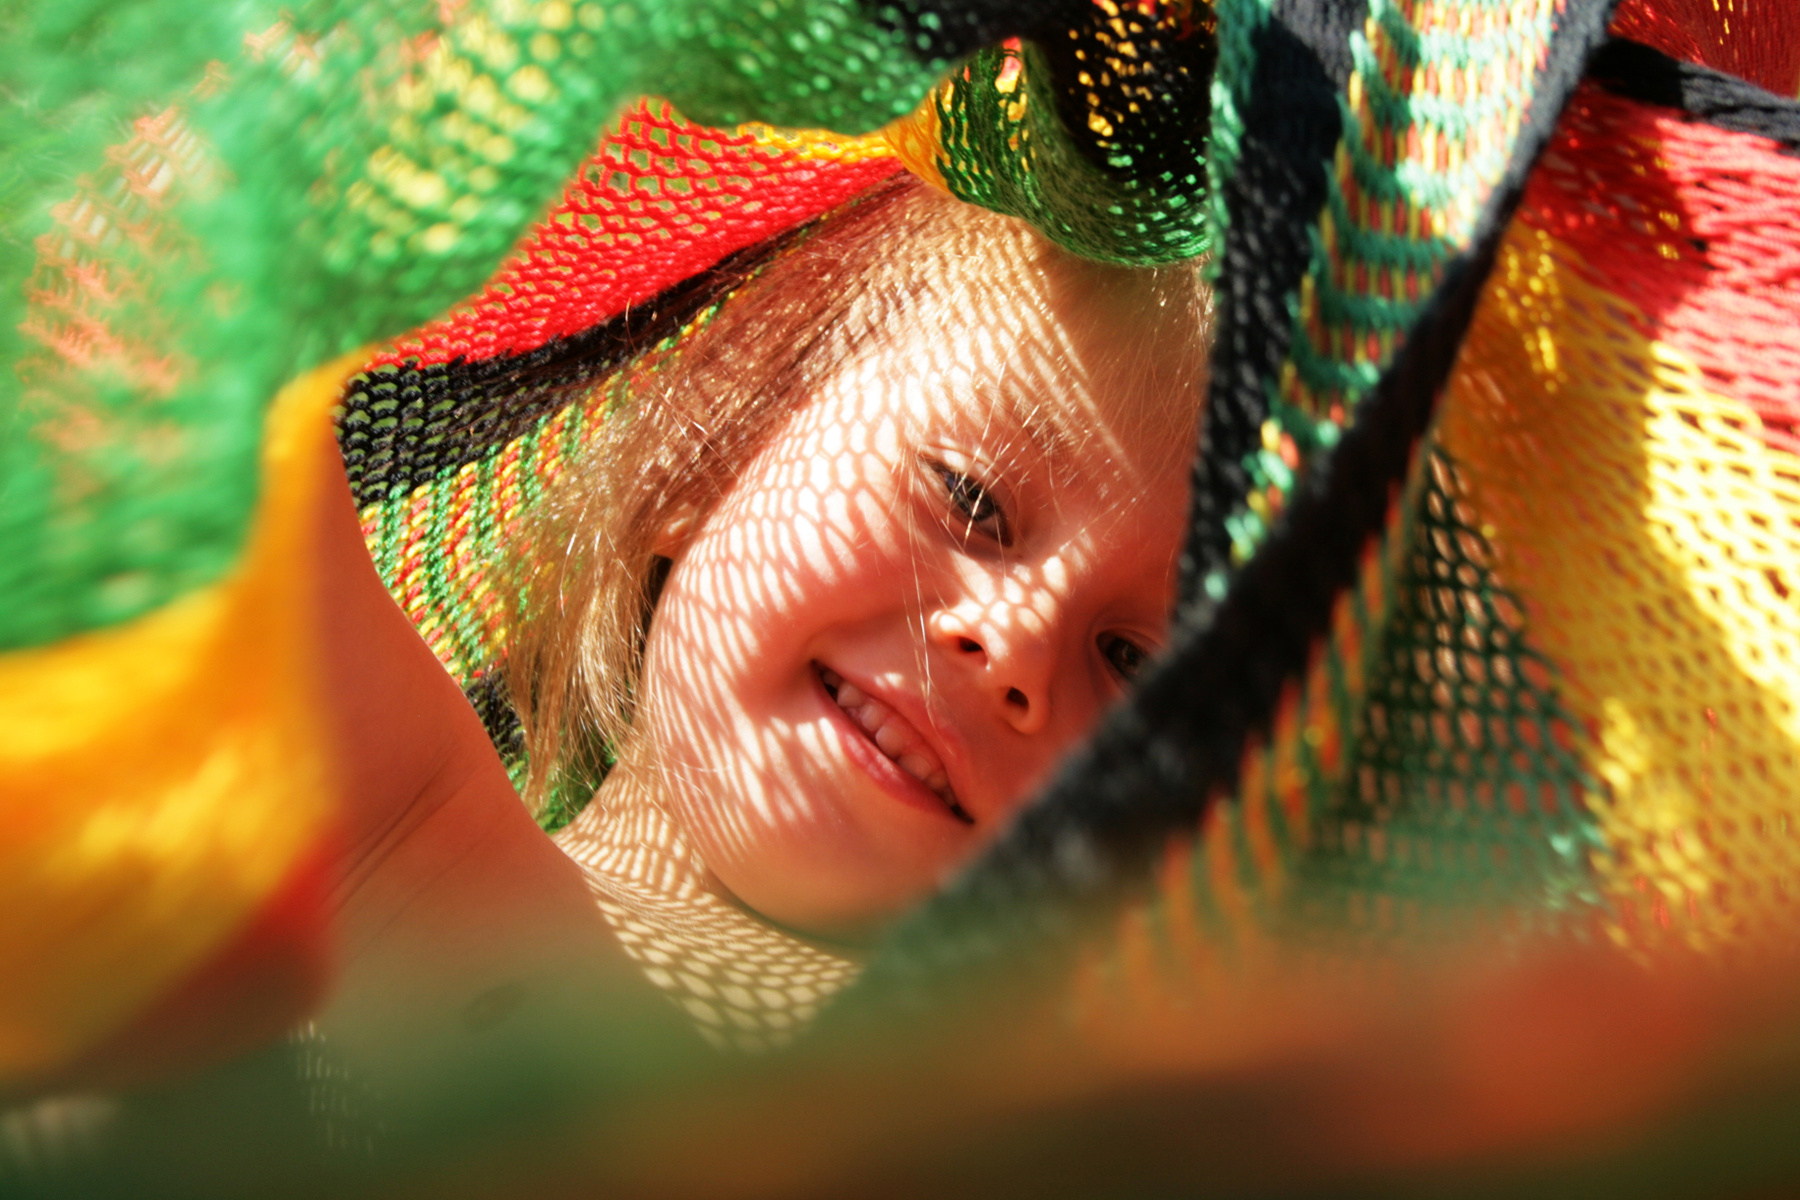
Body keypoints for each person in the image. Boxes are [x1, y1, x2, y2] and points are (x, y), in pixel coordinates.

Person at [311, 174, 1210, 1055]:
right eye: (969, 497)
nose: (1018, 642)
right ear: (723, 433)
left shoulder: (1063, 1070)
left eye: (1135, 661)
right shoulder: (408, 837)